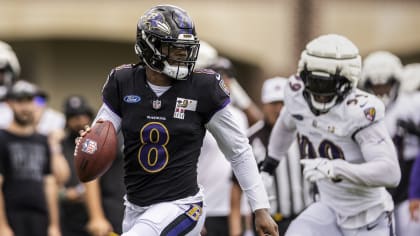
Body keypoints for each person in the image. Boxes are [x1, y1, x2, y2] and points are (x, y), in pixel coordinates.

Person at [76, 4, 278, 236]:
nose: (182, 55)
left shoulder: (203, 87)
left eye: (185, 48)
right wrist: (89, 142)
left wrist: (260, 207)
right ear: (148, 46)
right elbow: (102, 132)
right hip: (135, 208)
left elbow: (239, 150)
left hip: (182, 205)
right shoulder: (123, 82)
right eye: (173, 48)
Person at [260, 34, 401, 236]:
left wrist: (336, 168)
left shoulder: (359, 111)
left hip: (370, 216)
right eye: (314, 82)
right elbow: (285, 125)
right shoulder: (296, 94)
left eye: (326, 84)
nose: (319, 92)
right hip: (329, 209)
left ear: (347, 79)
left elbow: (390, 173)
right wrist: (268, 167)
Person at [231, 77, 313, 236]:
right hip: (268, 223)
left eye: (283, 103)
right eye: (273, 103)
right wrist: (236, 232)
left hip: (304, 220)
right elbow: (236, 189)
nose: (279, 109)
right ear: (264, 104)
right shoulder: (251, 139)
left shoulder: (306, 134)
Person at [360, 51, 420, 236]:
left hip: (409, 179)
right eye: (376, 86)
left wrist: (416, 131)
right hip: (377, 182)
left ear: (396, 83)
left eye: (386, 85)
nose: (382, 91)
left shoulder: (412, 104)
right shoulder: (362, 109)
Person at [0, 80, 61, 236]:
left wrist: (54, 225)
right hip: (12, 217)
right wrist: (2, 226)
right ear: (9, 103)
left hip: (40, 218)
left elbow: (50, 183)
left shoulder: (42, 140)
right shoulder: (2, 138)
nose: (25, 107)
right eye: (19, 101)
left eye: (29, 100)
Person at [209, 56, 263, 126]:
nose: (223, 80)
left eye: (227, 76)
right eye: (218, 76)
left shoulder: (239, 117)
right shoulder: (198, 108)